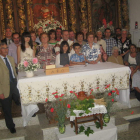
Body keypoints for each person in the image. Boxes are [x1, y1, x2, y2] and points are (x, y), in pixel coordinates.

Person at [0, 43, 20, 133]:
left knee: (21, 100)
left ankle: (29, 113)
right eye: (3, 48)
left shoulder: (11, 59)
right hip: (4, 87)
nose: (6, 50)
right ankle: (10, 126)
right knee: (7, 108)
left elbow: (14, 72)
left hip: (14, 84)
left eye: (7, 48)